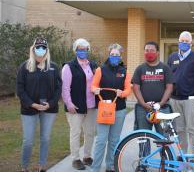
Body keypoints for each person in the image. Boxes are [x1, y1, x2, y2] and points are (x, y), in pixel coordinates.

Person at [16, 37, 62, 172]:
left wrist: (51, 103)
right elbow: (20, 89)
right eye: (38, 47)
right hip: (29, 109)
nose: (40, 50)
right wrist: (32, 104)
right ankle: (24, 167)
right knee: (28, 141)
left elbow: (59, 88)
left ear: (47, 50)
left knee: (45, 138)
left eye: (43, 47)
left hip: (49, 109)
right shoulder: (24, 66)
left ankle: (41, 166)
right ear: (33, 49)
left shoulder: (53, 67)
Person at [131, 41, 173, 171]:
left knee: (163, 139)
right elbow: (135, 87)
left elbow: (169, 87)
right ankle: (143, 163)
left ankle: (165, 164)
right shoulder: (140, 69)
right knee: (143, 137)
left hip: (162, 108)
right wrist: (143, 103)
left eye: (151, 50)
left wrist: (160, 104)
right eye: (146, 50)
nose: (149, 53)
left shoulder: (165, 68)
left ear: (157, 53)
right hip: (143, 109)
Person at [91, 43, 131, 172]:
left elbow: (127, 89)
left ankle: (110, 166)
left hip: (119, 109)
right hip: (103, 109)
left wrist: (123, 93)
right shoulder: (100, 70)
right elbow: (93, 86)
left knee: (114, 140)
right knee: (101, 140)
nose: (115, 57)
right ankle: (95, 168)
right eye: (112, 54)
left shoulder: (124, 71)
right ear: (109, 54)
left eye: (117, 55)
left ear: (120, 56)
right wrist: (95, 90)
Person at [167, 31, 194, 156]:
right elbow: (169, 76)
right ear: (178, 42)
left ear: (191, 43)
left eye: (186, 41)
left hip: (191, 99)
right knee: (179, 130)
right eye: (182, 41)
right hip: (175, 99)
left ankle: (193, 157)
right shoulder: (172, 57)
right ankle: (182, 156)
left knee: (192, 130)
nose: (183, 43)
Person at [61, 38, 98, 170]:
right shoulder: (69, 67)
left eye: (85, 49)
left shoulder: (93, 65)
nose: (82, 51)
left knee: (90, 132)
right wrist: (69, 104)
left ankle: (87, 156)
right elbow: (65, 88)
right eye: (79, 49)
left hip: (91, 105)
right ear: (75, 51)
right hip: (75, 106)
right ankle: (75, 159)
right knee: (75, 133)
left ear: (88, 50)